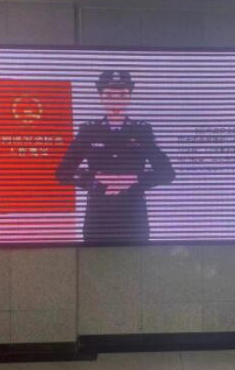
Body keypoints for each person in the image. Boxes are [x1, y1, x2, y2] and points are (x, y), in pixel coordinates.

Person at [55, 70, 175, 244]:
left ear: (130, 97)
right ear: (100, 97)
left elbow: (167, 173)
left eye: (122, 95)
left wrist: (132, 179)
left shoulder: (142, 131)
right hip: (98, 216)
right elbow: (63, 173)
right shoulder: (89, 130)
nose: (116, 101)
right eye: (109, 95)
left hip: (134, 217)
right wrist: (97, 178)